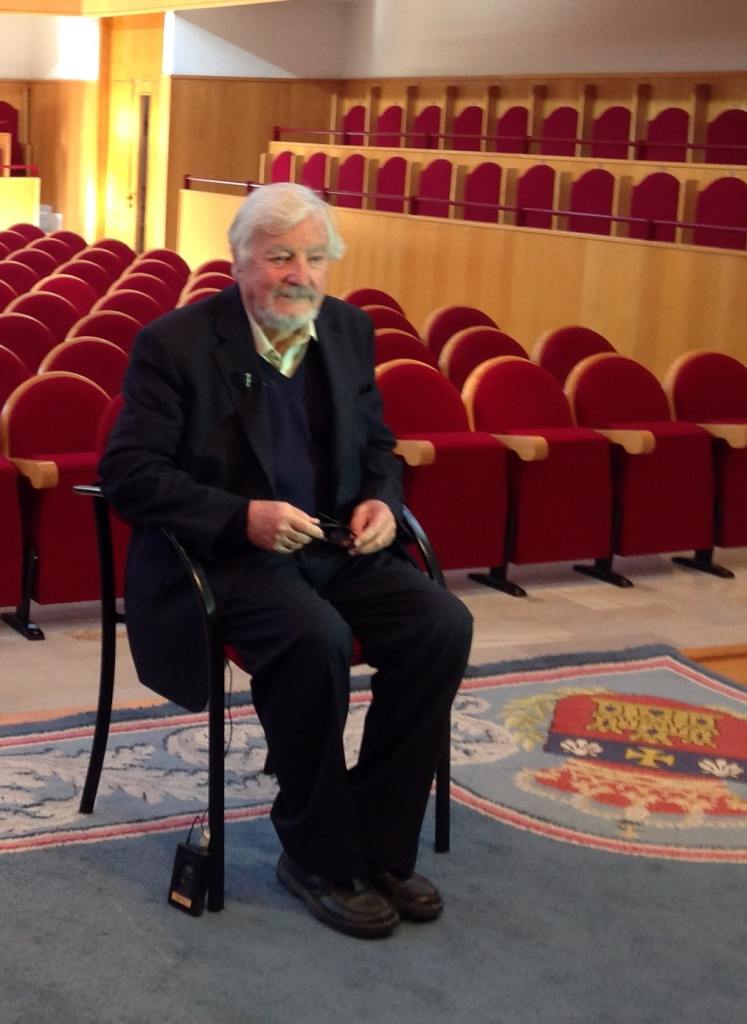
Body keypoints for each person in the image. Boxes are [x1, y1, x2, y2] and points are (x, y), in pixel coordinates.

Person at [100, 182, 473, 939]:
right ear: (239, 262)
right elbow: (129, 474)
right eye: (278, 258)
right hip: (226, 555)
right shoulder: (174, 344)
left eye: (313, 257)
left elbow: (376, 446)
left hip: (333, 545)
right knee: (314, 639)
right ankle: (317, 854)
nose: (298, 273)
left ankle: (378, 838)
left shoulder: (346, 329)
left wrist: (379, 500)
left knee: (442, 623)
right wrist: (243, 516)